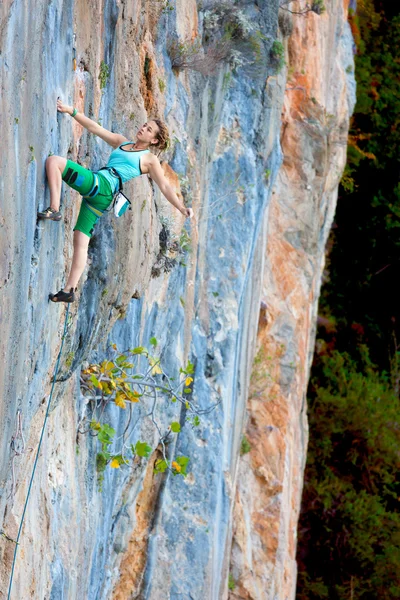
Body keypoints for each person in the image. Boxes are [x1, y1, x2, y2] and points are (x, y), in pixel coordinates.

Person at [39, 98, 193, 303]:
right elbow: (95, 128)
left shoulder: (149, 160)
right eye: (145, 125)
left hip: (102, 185)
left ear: (154, 140)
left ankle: (54, 208)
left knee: (54, 162)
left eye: (149, 130)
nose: (143, 129)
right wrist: (71, 110)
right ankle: (69, 289)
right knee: (80, 240)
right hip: (101, 196)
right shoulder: (123, 142)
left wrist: (182, 208)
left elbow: (164, 186)